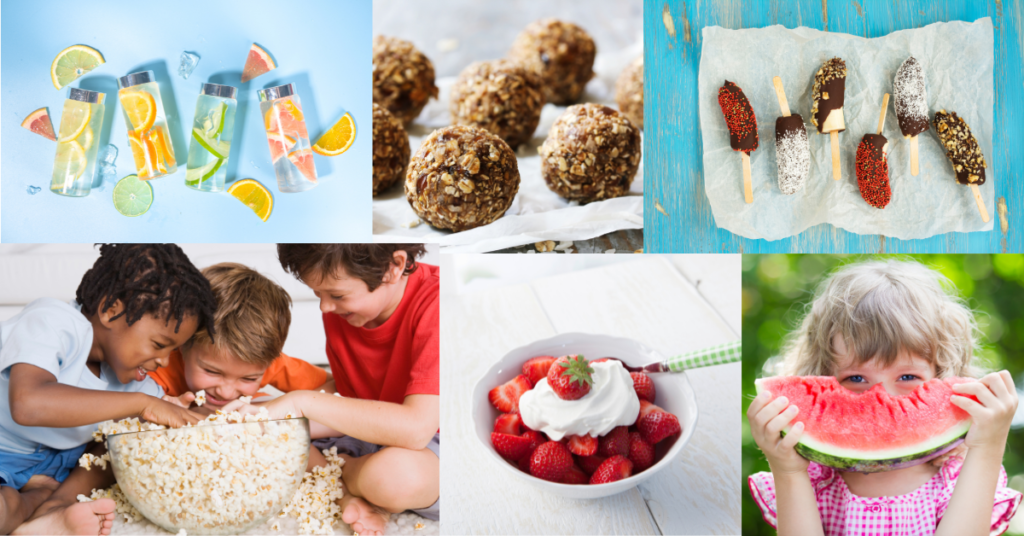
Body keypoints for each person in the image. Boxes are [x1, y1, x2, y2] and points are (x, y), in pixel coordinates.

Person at [747, 259, 1021, 535]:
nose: (883, 398)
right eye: (856, 378)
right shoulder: (814, 479)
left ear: (941, 375)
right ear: (822, 375)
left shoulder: (959, 479)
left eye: (907, 377)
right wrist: (789, 472)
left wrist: (989, 447)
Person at [229, 244, 438, 536]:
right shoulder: (343, 312)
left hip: (431, 448)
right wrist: (271, 421)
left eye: (336, 295)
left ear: (394, 267)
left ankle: (343, 473)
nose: (324, 307)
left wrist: (301, 403)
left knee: (394, 477)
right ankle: (346, 494)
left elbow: (415, 430)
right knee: (267, 427)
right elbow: (348, 398)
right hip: (366, 434)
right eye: (317, 294)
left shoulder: (436, 306)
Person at [3, 244, 213, 536]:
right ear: (111, 310)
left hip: (56, 469)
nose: (164, 361)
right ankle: (35, 502)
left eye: (173, 351)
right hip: (4, 451)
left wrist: (174, 413)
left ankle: (54, 506)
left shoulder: (136, 384)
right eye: (158, 345)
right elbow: (27, 404)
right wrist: (142, 404)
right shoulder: (53, 322)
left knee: (128, 437)